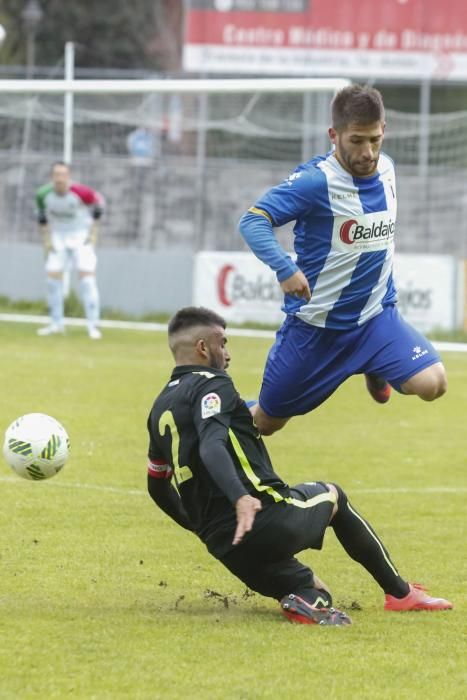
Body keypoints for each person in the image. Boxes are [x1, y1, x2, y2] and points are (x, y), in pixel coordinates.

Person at [146, 306, 452, 626]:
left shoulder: (158, 409)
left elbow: (157, 485)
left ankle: (303, 602)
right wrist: (240, 497)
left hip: (226, 545)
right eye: (222, 342)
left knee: (314, 589)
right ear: (202, 348)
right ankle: (401, 593)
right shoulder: (214, 385)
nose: (227, 353)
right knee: (334, 497)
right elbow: (211, 445)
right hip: (264, 517)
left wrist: (200, 528)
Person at [238, 84, 447, 435]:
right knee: (265, 423)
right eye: (356, 141)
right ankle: (213, 412)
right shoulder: (313, 182)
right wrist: (284, 267)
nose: (368, 152)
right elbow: (253, 221)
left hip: (375, 318)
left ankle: (374, 363)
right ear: (334, 136)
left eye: (374, 140)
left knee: (434, 383)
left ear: (384, 130)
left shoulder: (389, 170)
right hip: (316, 330)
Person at [36, 161, 104, 340]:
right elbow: (42, 218)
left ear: (69, 176)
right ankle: (56, 323)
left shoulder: (81, 192)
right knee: (52, 281)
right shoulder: (43, 194)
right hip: (58, 237)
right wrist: (46, 241)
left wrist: (94, 233)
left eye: (63, 175)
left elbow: (99, 202)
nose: (60, 178)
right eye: (56, 175)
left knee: (87, 280)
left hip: (81, 237)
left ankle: (93, 325)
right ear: (52, 177)